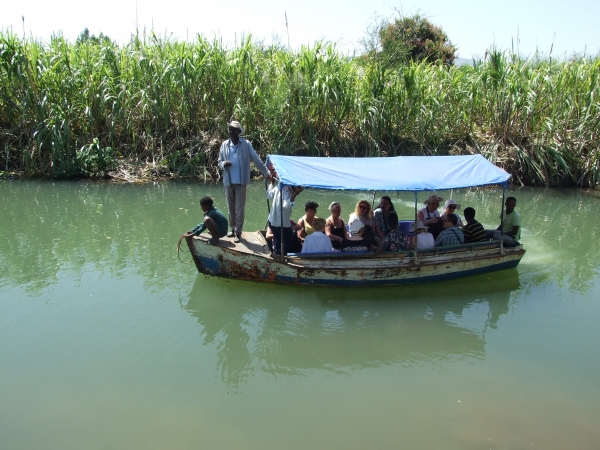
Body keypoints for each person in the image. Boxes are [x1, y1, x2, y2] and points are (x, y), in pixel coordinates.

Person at [217, 120, 270, 243]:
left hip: (241, 182)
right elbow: (219, 162)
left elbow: (256, 160)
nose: (231, 132)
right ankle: (233, 228)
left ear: (239, 131)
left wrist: (266, 172)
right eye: (230, 129)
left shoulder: (246, 144)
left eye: (234, 129)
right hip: (228, 181)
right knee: (231, 207)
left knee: (240, 208)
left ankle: (238, 232)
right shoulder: (224, 144)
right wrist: (224, 164)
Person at [266, 166, 303, 256]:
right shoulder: (287, 191)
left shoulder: (279, 187)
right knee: (290, 241)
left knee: (279, 239)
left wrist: (271, 183)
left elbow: (268, 195)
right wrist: (295, 194)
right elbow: (287, 205)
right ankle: (277, 254)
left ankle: (276, 253)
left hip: (272, 221)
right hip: (281, 224)